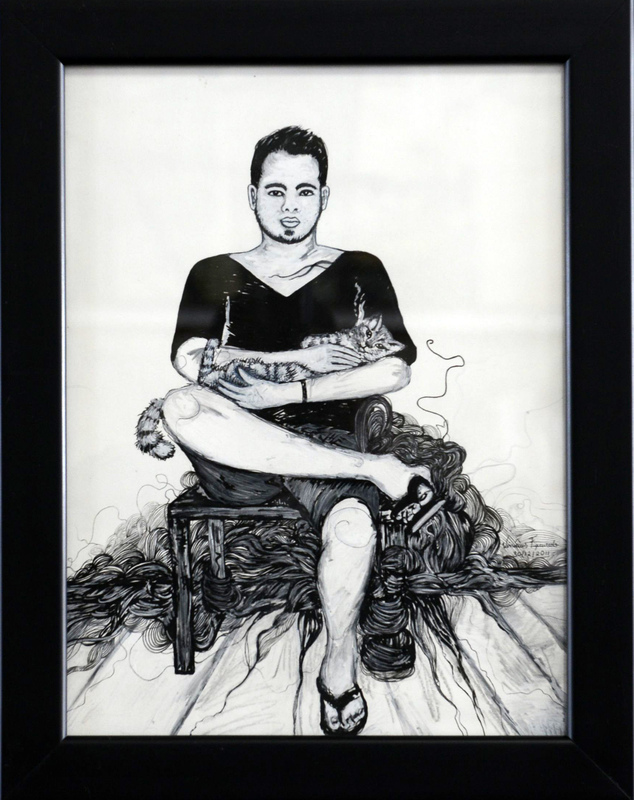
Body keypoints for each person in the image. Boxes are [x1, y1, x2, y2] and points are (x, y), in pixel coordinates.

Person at [161, 126, 432, 736]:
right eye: (276, 191)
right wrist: (305, 360)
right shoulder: (214, 272)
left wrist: (282, 390)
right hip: (237, 452)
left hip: (325, 449)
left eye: (304, 192)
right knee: (181, 406)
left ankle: (338, 663)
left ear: (324, 197)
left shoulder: (359, 270)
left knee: (355, 528)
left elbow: (394, 368)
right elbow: (191, 362)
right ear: (252, 196)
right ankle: (375, 471)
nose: (289, 207)